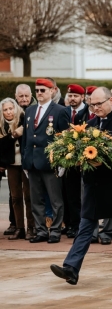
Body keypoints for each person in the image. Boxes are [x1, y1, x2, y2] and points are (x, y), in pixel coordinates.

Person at [50, 87, 112, 285]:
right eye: (92, 104)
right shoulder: (88, 126)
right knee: (85, 227)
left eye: (99, 104)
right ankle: (71, 268)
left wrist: (104, 161)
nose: (95, 108)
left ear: (111, 101)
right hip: (93, 185)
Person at [21, 79, 70, 243]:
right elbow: (26, 138)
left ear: (52, 91)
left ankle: (55, 231)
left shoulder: (60, 110)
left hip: (51, 162)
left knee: (55, 200)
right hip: (33, 162)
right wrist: (25, 161)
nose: (39, 93)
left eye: (43, 90)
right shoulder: (30, 110)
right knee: (36, 200)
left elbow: (65, 138)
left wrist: (62, 161)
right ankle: (41, 230)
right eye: (37, 90)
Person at [0, 98, 34, 239]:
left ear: (15, 108)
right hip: (12, 165)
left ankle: (31, 228)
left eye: (10, 108)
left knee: (28, 196)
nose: (9, 112)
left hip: (25, 164)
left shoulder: (24, 120)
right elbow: (2, 146)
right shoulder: (2, 125)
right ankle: (19, 227)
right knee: (15, 197)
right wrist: (14, 135)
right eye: (5, 110)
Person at [63, 84, 87, 239]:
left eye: (75, 96)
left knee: (84, 195)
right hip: (68, 160)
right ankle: (72, 224)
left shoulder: (87, 113)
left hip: (86, 159)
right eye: (70, 96)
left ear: (82, 97)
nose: (72, 99)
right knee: (70, 193)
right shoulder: (63, 112)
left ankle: (82, 225)